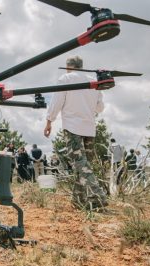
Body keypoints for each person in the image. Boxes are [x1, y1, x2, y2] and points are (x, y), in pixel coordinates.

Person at [43, 56, 107, 210]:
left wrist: (49, 121)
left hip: (73, 128)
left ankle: (97, 195)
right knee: (84, 166)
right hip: (89, 129)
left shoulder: (66, 78)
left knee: (80, 164)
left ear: (68, 66)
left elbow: (56, 101)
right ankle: (78, 201)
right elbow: (100, 108)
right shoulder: (94, 81)